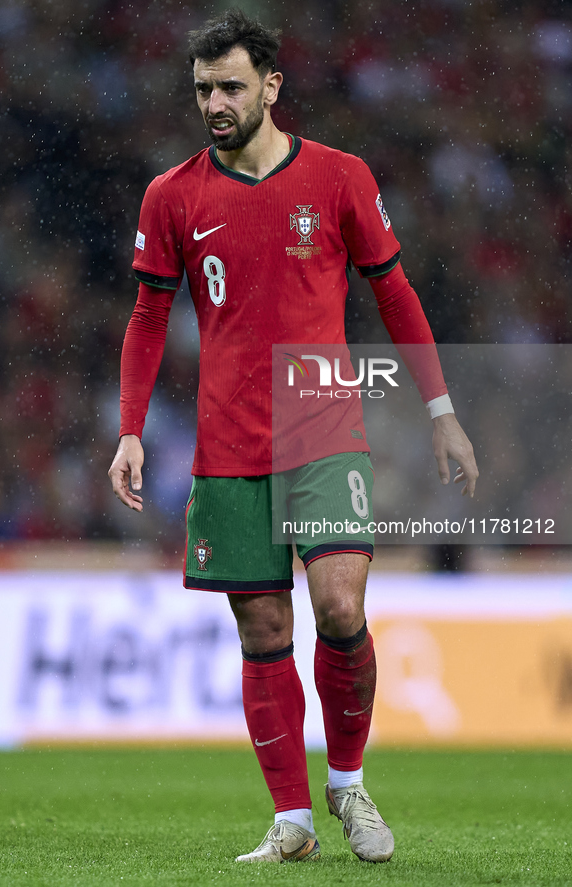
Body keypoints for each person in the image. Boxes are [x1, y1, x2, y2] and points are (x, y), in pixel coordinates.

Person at [108, 8, 478, 865]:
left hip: (323, 427)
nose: (215, 102)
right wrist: (130, 430)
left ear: (271, 86)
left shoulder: (340, 178)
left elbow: (393, 292)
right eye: (203, 88)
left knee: (340, 607)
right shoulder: (173, 195)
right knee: (263, 632)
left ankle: (346, 783)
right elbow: (146, 314)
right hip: (227, 443)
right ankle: (292, 820)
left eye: (231, 85)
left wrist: (440, 410)